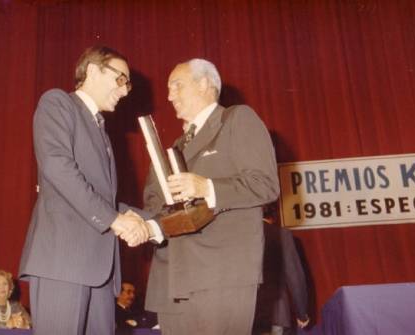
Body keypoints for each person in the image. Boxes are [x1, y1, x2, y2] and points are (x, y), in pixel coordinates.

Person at [19, 46, 150, 335]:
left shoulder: (101, 130)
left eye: (128, 83)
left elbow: (106, 201)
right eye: (121, 79)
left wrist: (152, 222)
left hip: (99, 271)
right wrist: (116, 220)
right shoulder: (58, 103)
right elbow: (58, 167)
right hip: (63, 262)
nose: (126, 90)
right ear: (92, 71)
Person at [143, 59, 280, 335]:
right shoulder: (172, 150)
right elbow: (154, 202)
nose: (169, 97)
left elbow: (265, 184)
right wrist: (147, 226)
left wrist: (207, 188)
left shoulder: (237, 119)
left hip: (222, 272)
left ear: (205, 83)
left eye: (177, 86)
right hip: (173, 277)